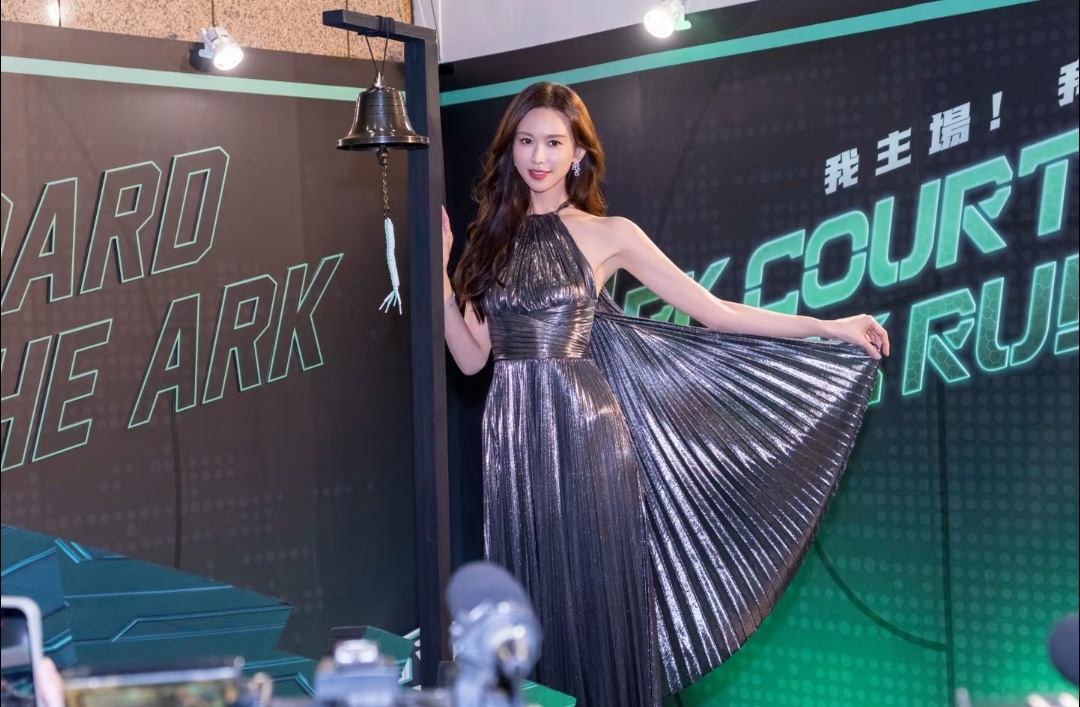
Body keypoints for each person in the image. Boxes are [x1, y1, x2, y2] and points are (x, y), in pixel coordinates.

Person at [440, 82, 889, 706]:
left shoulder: (609, 233)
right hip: (513, 445)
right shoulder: (491, 240)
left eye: (553, 142)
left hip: (586, 435)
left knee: (593, 604)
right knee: (531, 604)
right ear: (509, 149)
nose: (538, 157)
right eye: (525, 141)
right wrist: (441, 276)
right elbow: (471, 358)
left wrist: (826, 326)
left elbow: (713, 311)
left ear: (578, 153)